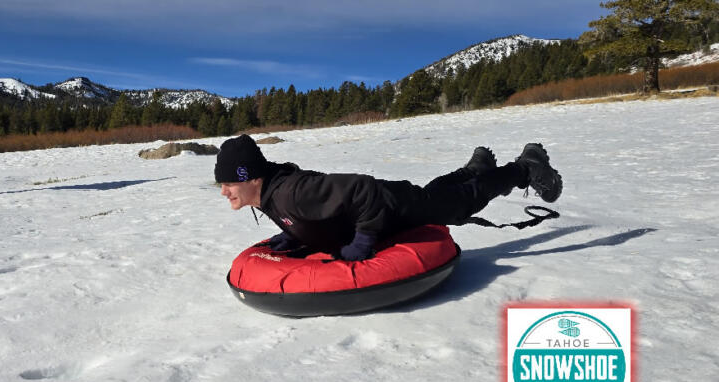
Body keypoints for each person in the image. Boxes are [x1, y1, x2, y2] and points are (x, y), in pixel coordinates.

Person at [215, 134, 562, 260]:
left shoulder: (293, 193)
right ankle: (476, 168)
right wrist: (293, 233)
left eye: (229, 182)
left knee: (458, 206)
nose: (224, 190)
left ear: (251, 178)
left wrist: (363, 240)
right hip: (391, 201)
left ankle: (524, 168)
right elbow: (315, 214)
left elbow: (362, 189)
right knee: (435, 195)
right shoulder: (273, 196)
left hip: (390, 205)